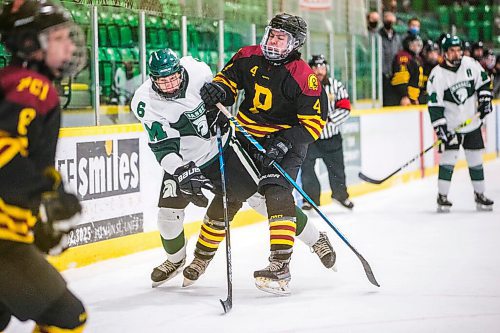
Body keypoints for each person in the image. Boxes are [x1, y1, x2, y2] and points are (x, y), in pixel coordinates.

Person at [130, 48, 335, 295]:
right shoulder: (145, 101)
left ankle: (316, 239)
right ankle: (175, 261)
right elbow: (163, 149)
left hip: (221, 151)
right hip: (182, 162)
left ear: (180, 70)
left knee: (261, 202)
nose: (170, 84)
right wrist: (182, 171)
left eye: (173, 77)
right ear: (152, 79)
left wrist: (219, 107)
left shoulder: (197, 70)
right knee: (167, 216)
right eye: (162, 81)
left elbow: (223, 90)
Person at [198, 13, 329, 294]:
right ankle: (200, 258)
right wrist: (218, 91)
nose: (273, 41)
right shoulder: (248, 56)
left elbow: (314, 125)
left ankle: (280, 265)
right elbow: (229, 81)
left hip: (286, 142)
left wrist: (284, 142)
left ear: (295, 44)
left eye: (281, 38)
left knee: (276, 192)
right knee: (227, 195)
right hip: (246, 136)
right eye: (272, 34)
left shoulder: (306, 77)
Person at [0, 0, 87, 332]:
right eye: (59, 37)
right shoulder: (31, 86)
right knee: (67, 317)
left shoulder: (12, 82)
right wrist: (46, 197)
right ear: (30, 44)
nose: (70, 45)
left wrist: (43, 207)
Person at [427, 35, 494, 212]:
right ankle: (442, 196)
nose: (457, 54)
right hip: (452, 127)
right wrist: (440, 128)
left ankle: (479, 194)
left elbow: (484, 83)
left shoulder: (470, 64)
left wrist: (485, 100)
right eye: (452, 51)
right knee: (448, 160)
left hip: (472, 124)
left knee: (475, 159)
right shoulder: (437, 75)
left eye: (458, 50)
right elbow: (435, 105)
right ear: (445, 53)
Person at [301, 55, 354, 210]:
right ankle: (310, 199)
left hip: (331, 137)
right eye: (315, 68)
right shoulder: (303, 87)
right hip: (310, 137)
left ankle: (340, 195)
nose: (319, 71)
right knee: (307, 169)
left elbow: (345, 108)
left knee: (337, 168)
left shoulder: (336, 86)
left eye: (322, 67)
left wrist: (327, 119)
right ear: (310, 69)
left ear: (327, 69)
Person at [390, 34, 423, 105]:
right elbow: (401, 79)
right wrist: (405, 95)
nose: (416, 47)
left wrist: (414, 97)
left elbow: (415, 80)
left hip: (412, 96)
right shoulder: (403, 56)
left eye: (418, 44)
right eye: (413, 44)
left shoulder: (417, 59)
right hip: (400, 97)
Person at [379, 11, 403, 106]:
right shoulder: (378, 35)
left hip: (395, 74)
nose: (389, 21)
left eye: (391, 19)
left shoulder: (397, 37)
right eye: (387, 19)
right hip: (382, 75)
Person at [419, 40, 440, 104]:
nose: (433, 56)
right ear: (426, 54)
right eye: (431, 53)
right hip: (423, 96)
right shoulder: (421, 66)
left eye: (435, 53)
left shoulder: (441, 68)